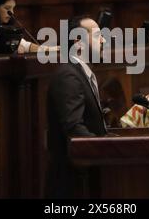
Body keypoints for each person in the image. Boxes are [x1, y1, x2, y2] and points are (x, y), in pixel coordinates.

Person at [45, 15, 107, 198]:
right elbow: (74, 128)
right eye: (97, 36)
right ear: (78, 42)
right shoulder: (69, 76)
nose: (103, 40)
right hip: (71, 184)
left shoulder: (80, 73)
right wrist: (108, 152)